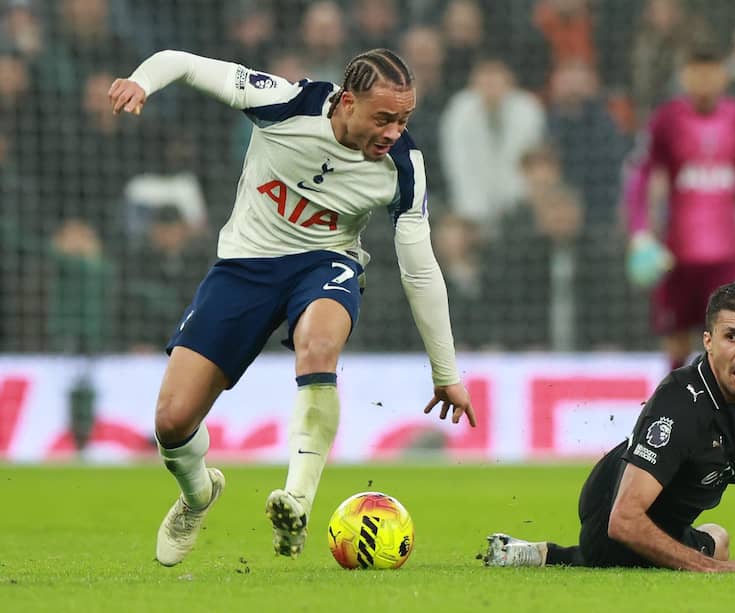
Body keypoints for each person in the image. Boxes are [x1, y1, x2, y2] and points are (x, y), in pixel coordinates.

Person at [108, 47, 477, 567]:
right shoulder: (283, 102)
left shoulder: (403, 167)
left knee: (319, 343)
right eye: (384, 118)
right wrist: (142, 81)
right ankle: (197, 494)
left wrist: (446, 372)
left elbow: (420, 269)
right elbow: (185, 63)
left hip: (325, 264)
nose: (395, 131)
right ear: (347, 102)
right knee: (172, 421)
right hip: (245, 267)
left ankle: (297, 502)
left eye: (405, 118)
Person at [482, 283, 735, 573]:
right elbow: (624, 521)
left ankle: (540, 553)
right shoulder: (681, 402)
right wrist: (721, 572)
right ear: (709, 342)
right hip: (611, 512)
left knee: (719, 538)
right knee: (622, 557)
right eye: (732, 336)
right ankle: (557, 555)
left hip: (669, 521)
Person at [623, 41, 735, 370]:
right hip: (678, 255)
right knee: (676, 342)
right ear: (685, 77)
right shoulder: (667, 119)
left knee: (734, 339)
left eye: (710, 74)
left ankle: (731, 418)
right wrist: (640, 234)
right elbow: (640, 177)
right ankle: (676, 414)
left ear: (723, 77)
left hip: (729, 257)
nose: (703, 82)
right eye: (696, 74)